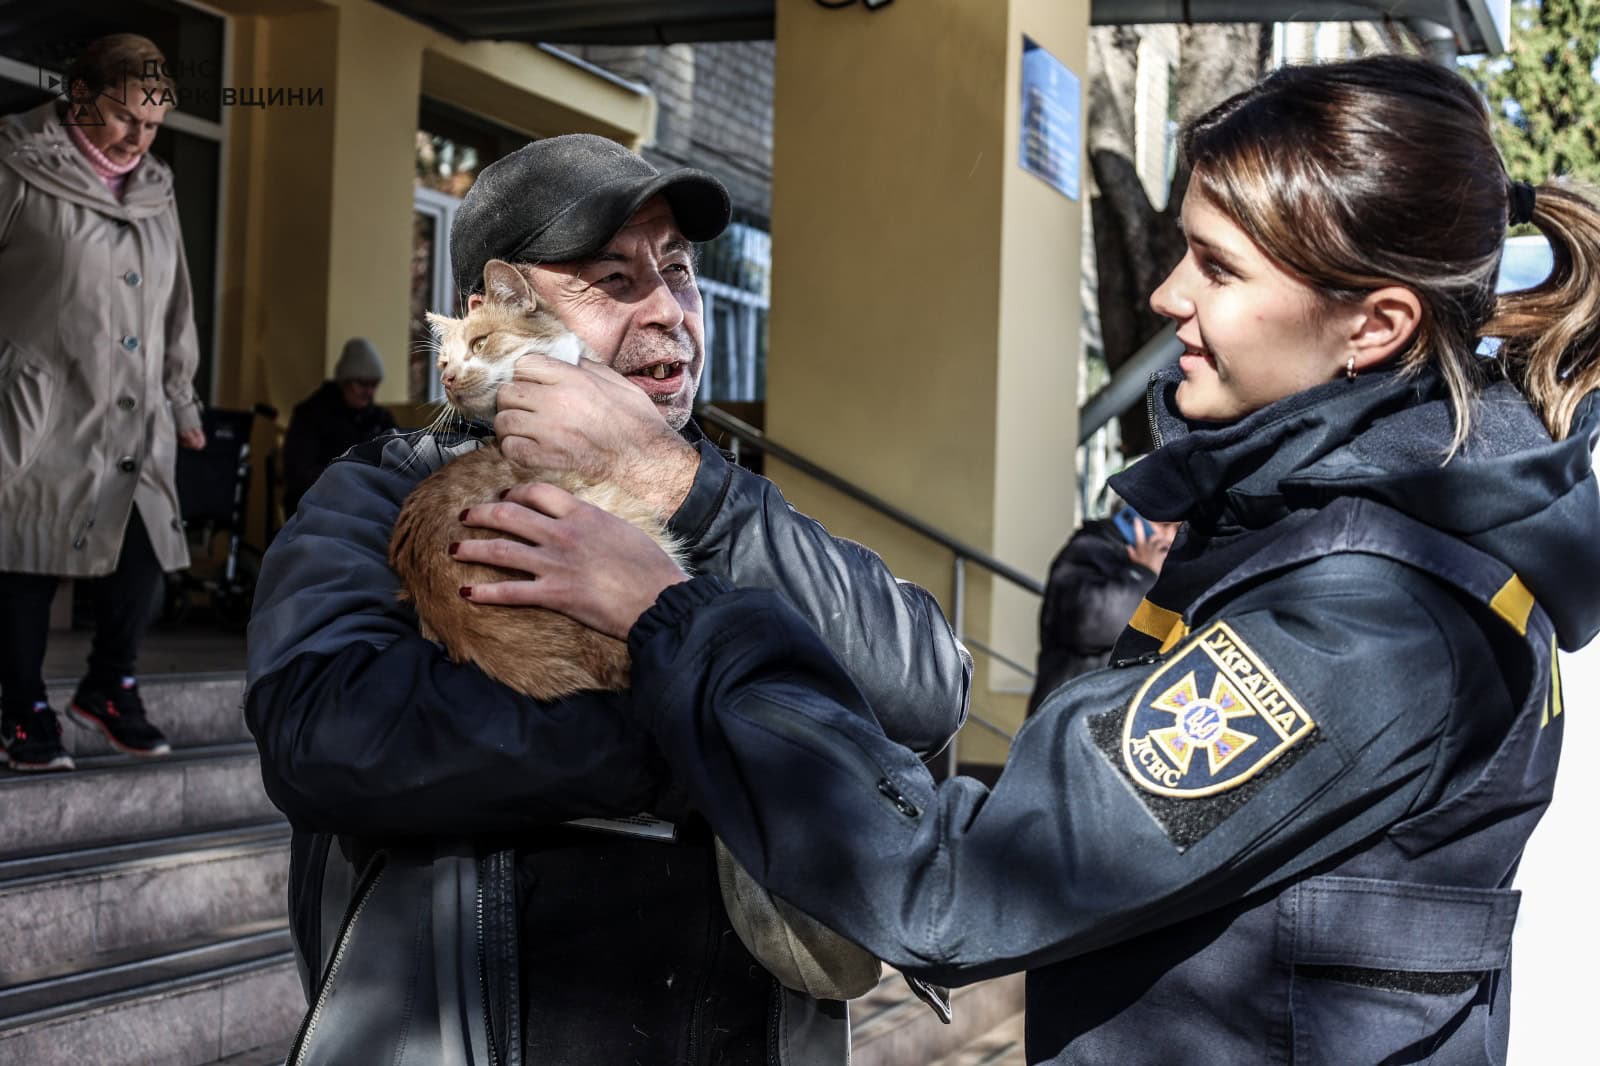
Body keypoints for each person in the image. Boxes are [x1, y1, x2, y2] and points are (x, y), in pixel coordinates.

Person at [474, 57, 1600, 1063]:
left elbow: (960, 888)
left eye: (1216, 267)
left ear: (1374, 326)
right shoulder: (1328, 540)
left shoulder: (1371, 621)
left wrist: (673, 615)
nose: (1167, 298)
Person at [245, 134, 970, 1063]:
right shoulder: (377, 493)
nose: (668, 308)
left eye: (678, 271)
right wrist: (712, 729)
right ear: (495, 311)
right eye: (612, 278)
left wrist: (675, 486)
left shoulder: (720, 503)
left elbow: (923, 690)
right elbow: (325, 740)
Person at [0, 34, 206, 771]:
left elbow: (174, 300)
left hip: (132, 407)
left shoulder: (156, 185)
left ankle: (107, 685)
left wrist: (181, 399)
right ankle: (20, 704)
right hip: (34, 402)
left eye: (152, 126)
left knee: (145, 549)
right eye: (122, 118)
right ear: (78, 96)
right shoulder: (13, 159)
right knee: (24, 556)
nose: (136, 139)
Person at [1026, 505, 1179, 714]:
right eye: (1164, 526)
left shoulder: (1163, 566)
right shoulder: (1090, 549)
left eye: (1177, 529)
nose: (1170, 538)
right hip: (1071, 714)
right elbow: (1091, 623)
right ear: (1130, 517)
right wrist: (1144, 574)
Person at [280, 337, 397, 516]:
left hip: (366, 507)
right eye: (362, 384)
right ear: (345, 381)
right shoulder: (311, 415)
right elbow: (299, 474)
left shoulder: (380, 419)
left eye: (374, 385)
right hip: (318, 508)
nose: (369, 392)